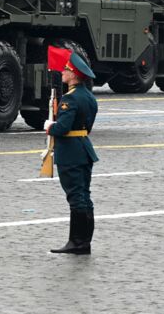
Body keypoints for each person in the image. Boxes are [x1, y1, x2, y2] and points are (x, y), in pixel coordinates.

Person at [44, 51, 99, 255]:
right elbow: (88, 126)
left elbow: (63, 128)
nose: (63, 72)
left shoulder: (71, 99)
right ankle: (84, 241)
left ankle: (77, 242)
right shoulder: (89, 97)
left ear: (74, 74)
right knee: (84, 196)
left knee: (76, 197)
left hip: (71, 153)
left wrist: (50, 126)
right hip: (84, 149)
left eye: (66, 69)